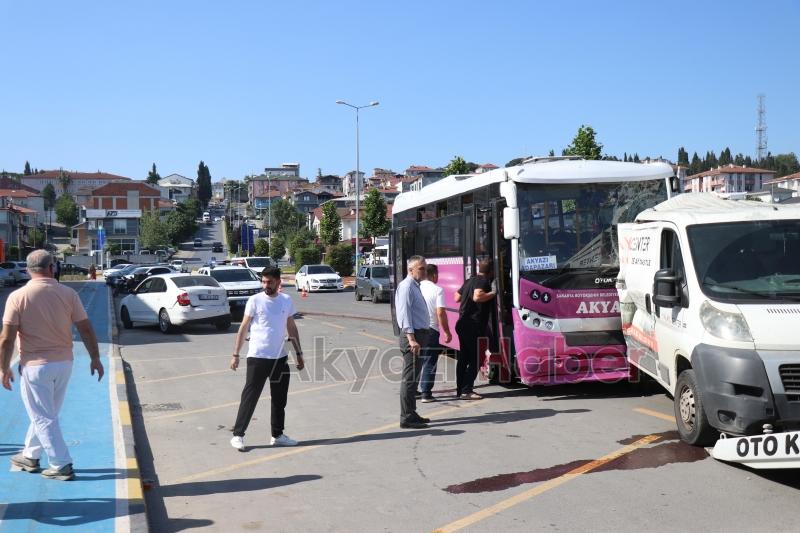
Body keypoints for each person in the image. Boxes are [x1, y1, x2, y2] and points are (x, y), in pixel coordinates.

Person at [0, 249, 104, 481]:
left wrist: (3, 368)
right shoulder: (68, 294)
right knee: (47, 413)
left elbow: (6, 338)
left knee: (43, 416)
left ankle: (61, 464)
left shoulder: (18, 297)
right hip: (64, 363)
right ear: (51, 268)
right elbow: (86, 328)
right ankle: (30, 455)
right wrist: (95, 358)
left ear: (28, 270)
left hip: (35, 366)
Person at [230, 266, 304, 451]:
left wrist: (298, 353)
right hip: (258, 356)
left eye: (269, 282)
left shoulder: (286, 300)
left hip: (280, 357)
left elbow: (291, 328)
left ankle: (277, 435)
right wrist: (236, 354)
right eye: (263, 282)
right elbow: (243, 328)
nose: (266, 285)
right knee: (250, 397)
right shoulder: (255, 300)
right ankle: (238, 435)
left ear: (278, 282)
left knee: (280, 399)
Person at [394, 255, 430, 429]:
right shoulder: (406, 286)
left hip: (418, 335)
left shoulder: (415, 285)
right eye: (421, 269)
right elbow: (404, 314)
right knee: (409, 379)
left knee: (414, 379)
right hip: (413, 337)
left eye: (425, 268)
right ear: (410, 270)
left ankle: (412, 413)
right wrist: (412, 339)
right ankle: (406, 417)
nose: (425, 271)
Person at [454, 258, 496, 400]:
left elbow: (456, 297)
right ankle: (466, 390)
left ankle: (460, 390)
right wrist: (493, 293)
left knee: (464, 358)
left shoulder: (469, 280)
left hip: (462, 324)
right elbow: (477, 296)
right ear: (491, 271)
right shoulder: (483, 281)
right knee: (477, 358)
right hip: (472, 325)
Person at [418, 263, 452, 403]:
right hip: (431, 330)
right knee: (429, 361)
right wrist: (447, 331)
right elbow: (440, 312)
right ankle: (426, 393)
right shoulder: (437, 290)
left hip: (416, 330)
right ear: (434, 275)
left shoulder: (416, 287)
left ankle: (412, 390)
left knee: (415, 361)